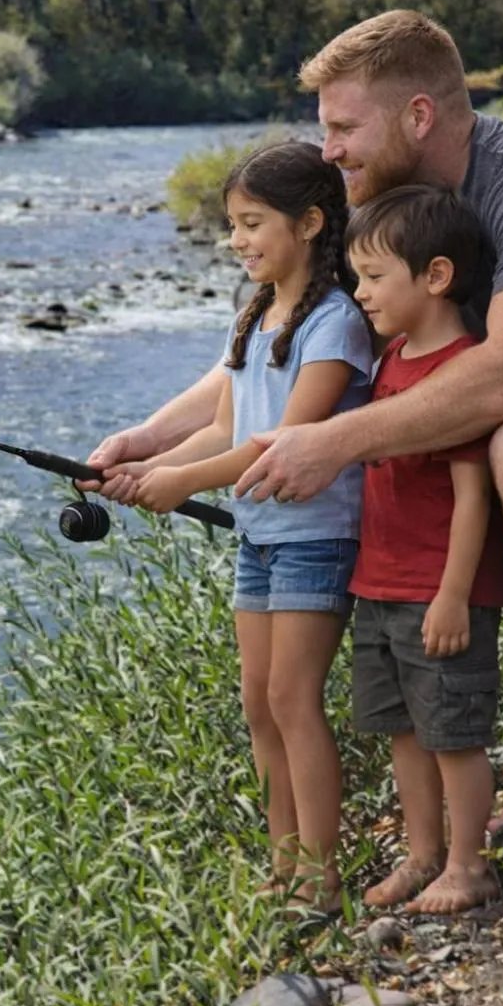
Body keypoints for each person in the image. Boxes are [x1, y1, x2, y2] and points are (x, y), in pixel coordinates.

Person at [89, 10, 503, 833]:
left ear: (418, 117)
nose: (329, 152)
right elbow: (275, 349)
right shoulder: (384, 204)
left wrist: (331, 441)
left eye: (344, 127)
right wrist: (153, 438)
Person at [126, 140, 373, 908]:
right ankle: (283, 865)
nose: (236, 240)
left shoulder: (335, 324)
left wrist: (181, 484)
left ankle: (322, 878)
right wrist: (144, 469)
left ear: (308, 223)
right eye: (231, 224)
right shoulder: (254, 316)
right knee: (258, 704)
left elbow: (284, 445)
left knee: (295, 702)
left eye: (251, 222)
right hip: (258, 539)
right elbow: (225, 435)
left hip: (317, 539)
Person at [346, 185, 503, 914]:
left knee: (453, 736)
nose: (360, 292)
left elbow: (474, 498)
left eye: (374, 277)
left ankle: (470, 866)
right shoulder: (391, 360)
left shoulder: (461, 372)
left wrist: (452, 593)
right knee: (404, 733)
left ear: (435, 277)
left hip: (437, 592)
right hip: (378, 587)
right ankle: (422, 855)